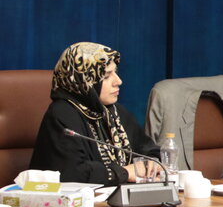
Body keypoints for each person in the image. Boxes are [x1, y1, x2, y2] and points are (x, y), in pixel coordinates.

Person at [30, 42, 161, 184]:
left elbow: (148, 149)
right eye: (106, 76)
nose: (118, 81)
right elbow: (71, 172)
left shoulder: (116, 112)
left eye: (116, 72)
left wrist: (152, 162)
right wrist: (124, 173)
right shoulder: (61, 115)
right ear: (84, 80)